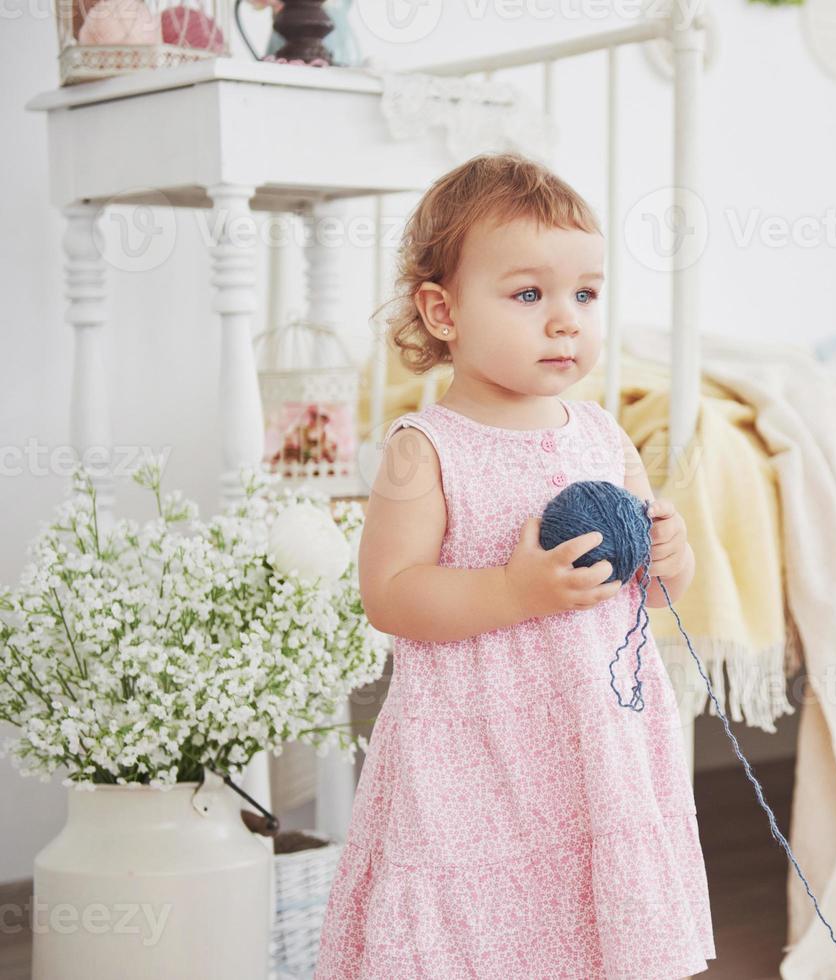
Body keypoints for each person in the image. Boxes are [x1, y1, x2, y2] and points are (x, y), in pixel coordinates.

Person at [314, 152, 715, 979]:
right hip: (473, 754)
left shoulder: (601, 435)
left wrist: (671, 555)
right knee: (472, 934)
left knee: (586, 928)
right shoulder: (423, 449)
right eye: (529, 294)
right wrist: (511, 590)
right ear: (443, 310)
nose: (565, 319)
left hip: (591, 741)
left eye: (586, 293)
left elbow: (651, 586)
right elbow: (389, 594)